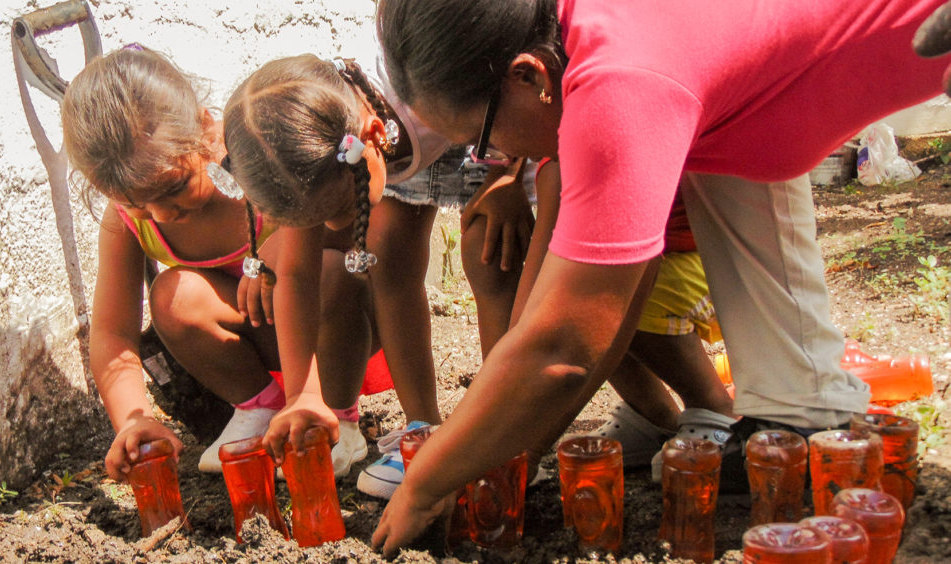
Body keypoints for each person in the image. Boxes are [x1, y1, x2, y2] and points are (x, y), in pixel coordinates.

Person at [369, 0, 949, 555]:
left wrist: (431, 479)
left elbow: (566, 344)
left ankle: (797, 400)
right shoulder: (590, 31)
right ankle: (798, 404)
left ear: (529, 77)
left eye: (484, 139)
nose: (490, 156)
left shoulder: (621, 75)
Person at [222, 51, 534, 498]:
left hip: (492, 138)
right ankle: (422, 427)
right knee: (388, 256)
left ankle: (507, 432)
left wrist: (509, 173)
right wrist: (302, 395)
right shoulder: (313, 149)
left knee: (488, 253)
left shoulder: (427, 87)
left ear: (367, 137)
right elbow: (295, 277)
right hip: (395, 153)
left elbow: (505, 70)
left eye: (339, 210)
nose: (334, 229)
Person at [60, 45, 378, 482]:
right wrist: (133, 417)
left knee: (326, 271)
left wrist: (275, 255)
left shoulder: (259, 160)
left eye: (175, 187)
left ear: (206, 130)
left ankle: (340, 418)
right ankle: (260, 409)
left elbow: (345, 227)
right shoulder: (125, 225)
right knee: (173, 297)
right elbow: (113, 332)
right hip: (261, 341)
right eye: (136, 203)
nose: (161, 214)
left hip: (335, 336)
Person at [521, 159, 735, 470]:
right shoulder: (553, 157)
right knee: (589, 291)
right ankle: (653, 415)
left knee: (599, 298)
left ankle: (715, 409)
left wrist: (529, 448)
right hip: (670, 260)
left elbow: (546, 320)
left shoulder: (567, 164)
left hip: (717, 267)